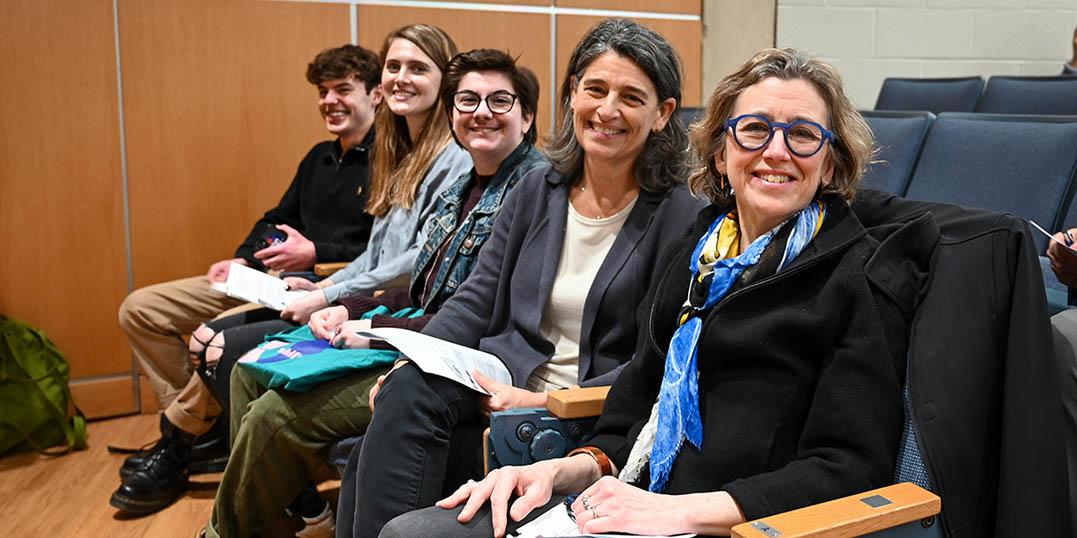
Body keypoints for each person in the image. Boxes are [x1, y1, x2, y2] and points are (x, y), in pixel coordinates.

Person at [383, 47, 911, 538]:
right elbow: (631, 409)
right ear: (722, 154)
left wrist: (680, 510)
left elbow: (848, 468)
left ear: (832, 164)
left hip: (730, 523)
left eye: (802, 135)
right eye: (753, 130)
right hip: (629, 500)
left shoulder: (861, 276)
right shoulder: (698, 252)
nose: (775, 152)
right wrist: (561, 471)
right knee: (411, 532)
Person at [341, 18, 703, 538]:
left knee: (370, 464)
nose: (606, 110)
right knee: (403, 393)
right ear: (572, 94)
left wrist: (537, 402)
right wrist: (410, 361)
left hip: (579, 413)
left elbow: (659, 362)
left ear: (662, 113)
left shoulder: (682, 217)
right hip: (497, 385)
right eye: (594, 89)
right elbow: (475, 299)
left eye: (631, 97)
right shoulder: (538, 188)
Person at [199, 47, 545, 538]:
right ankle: (278, 514)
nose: (481, 113)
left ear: (527, 117)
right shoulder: (460, 186)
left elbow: (478, 313)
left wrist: (375, 329)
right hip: (413, 338)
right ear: (451, 115)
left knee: (273, 415)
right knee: (250, 373)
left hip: (449, 361)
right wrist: (346, 304)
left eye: (499, 101)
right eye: (467, 101)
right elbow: (419, 283)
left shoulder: (531, 193)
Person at [109, 43, 382, 514]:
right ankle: (205, 430)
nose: (330, 101)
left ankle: (177, 442)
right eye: (323, 91)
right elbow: (275, 218)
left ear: (376, 96)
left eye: (343, 89)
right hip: (266, 277)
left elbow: (382, 259)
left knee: (213, 340)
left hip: (319, 285)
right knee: (140, 309)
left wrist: (317, 255)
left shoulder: (390, 161)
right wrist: (242, 259)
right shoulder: (319, 157)